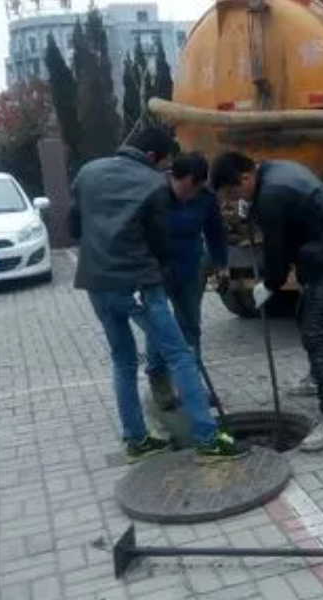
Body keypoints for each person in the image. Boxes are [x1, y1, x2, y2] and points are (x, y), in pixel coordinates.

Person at [69, 126, 246, 463]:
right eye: (164, 161)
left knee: (122, 360)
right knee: (179, 354)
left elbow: (74, 226)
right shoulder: (153, 185)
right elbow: (160, 241)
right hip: (139, 284)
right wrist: (159, 276)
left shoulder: (88, 172)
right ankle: (208, 439)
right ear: (152, 157)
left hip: (96, 282)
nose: (165, 169)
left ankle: (136, 440)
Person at [210, 152, 323, 452]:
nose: (233, 198)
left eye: (234, 192)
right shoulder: (271, 172)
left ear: (247, 177)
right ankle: (318, 379)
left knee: (317, 333)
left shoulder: (273, 193)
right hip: (319, 254)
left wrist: (270, 284)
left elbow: (277, 251)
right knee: (307, 319)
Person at [145, 152, 230, 408]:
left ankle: (192, 385)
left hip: (190, 268)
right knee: (159, 327)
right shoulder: (153, 193)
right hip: (156, 271)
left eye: (196, 189)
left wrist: (222, 265)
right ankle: (160, 383)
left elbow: (215, 233)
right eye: (187, 187)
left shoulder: (204, 198)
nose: (190, 194)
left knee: (190, 326)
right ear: (174, 177)